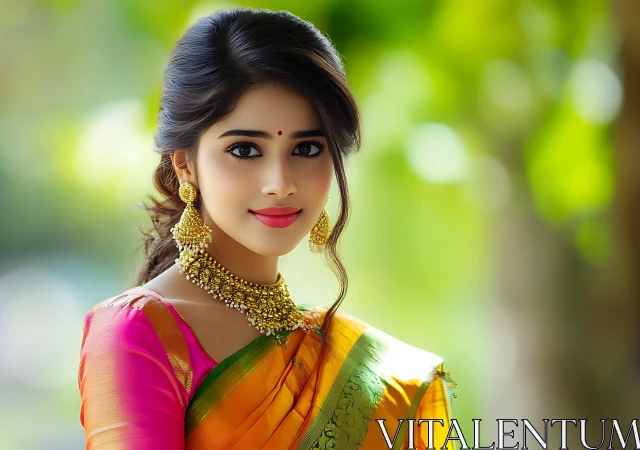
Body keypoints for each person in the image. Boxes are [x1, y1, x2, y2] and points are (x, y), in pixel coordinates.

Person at [77, 7, 456, 449]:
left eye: (308, 147)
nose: (280, 184)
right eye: (244, 150)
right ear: (185, 165)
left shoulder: (355, 360)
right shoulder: (138, 334)